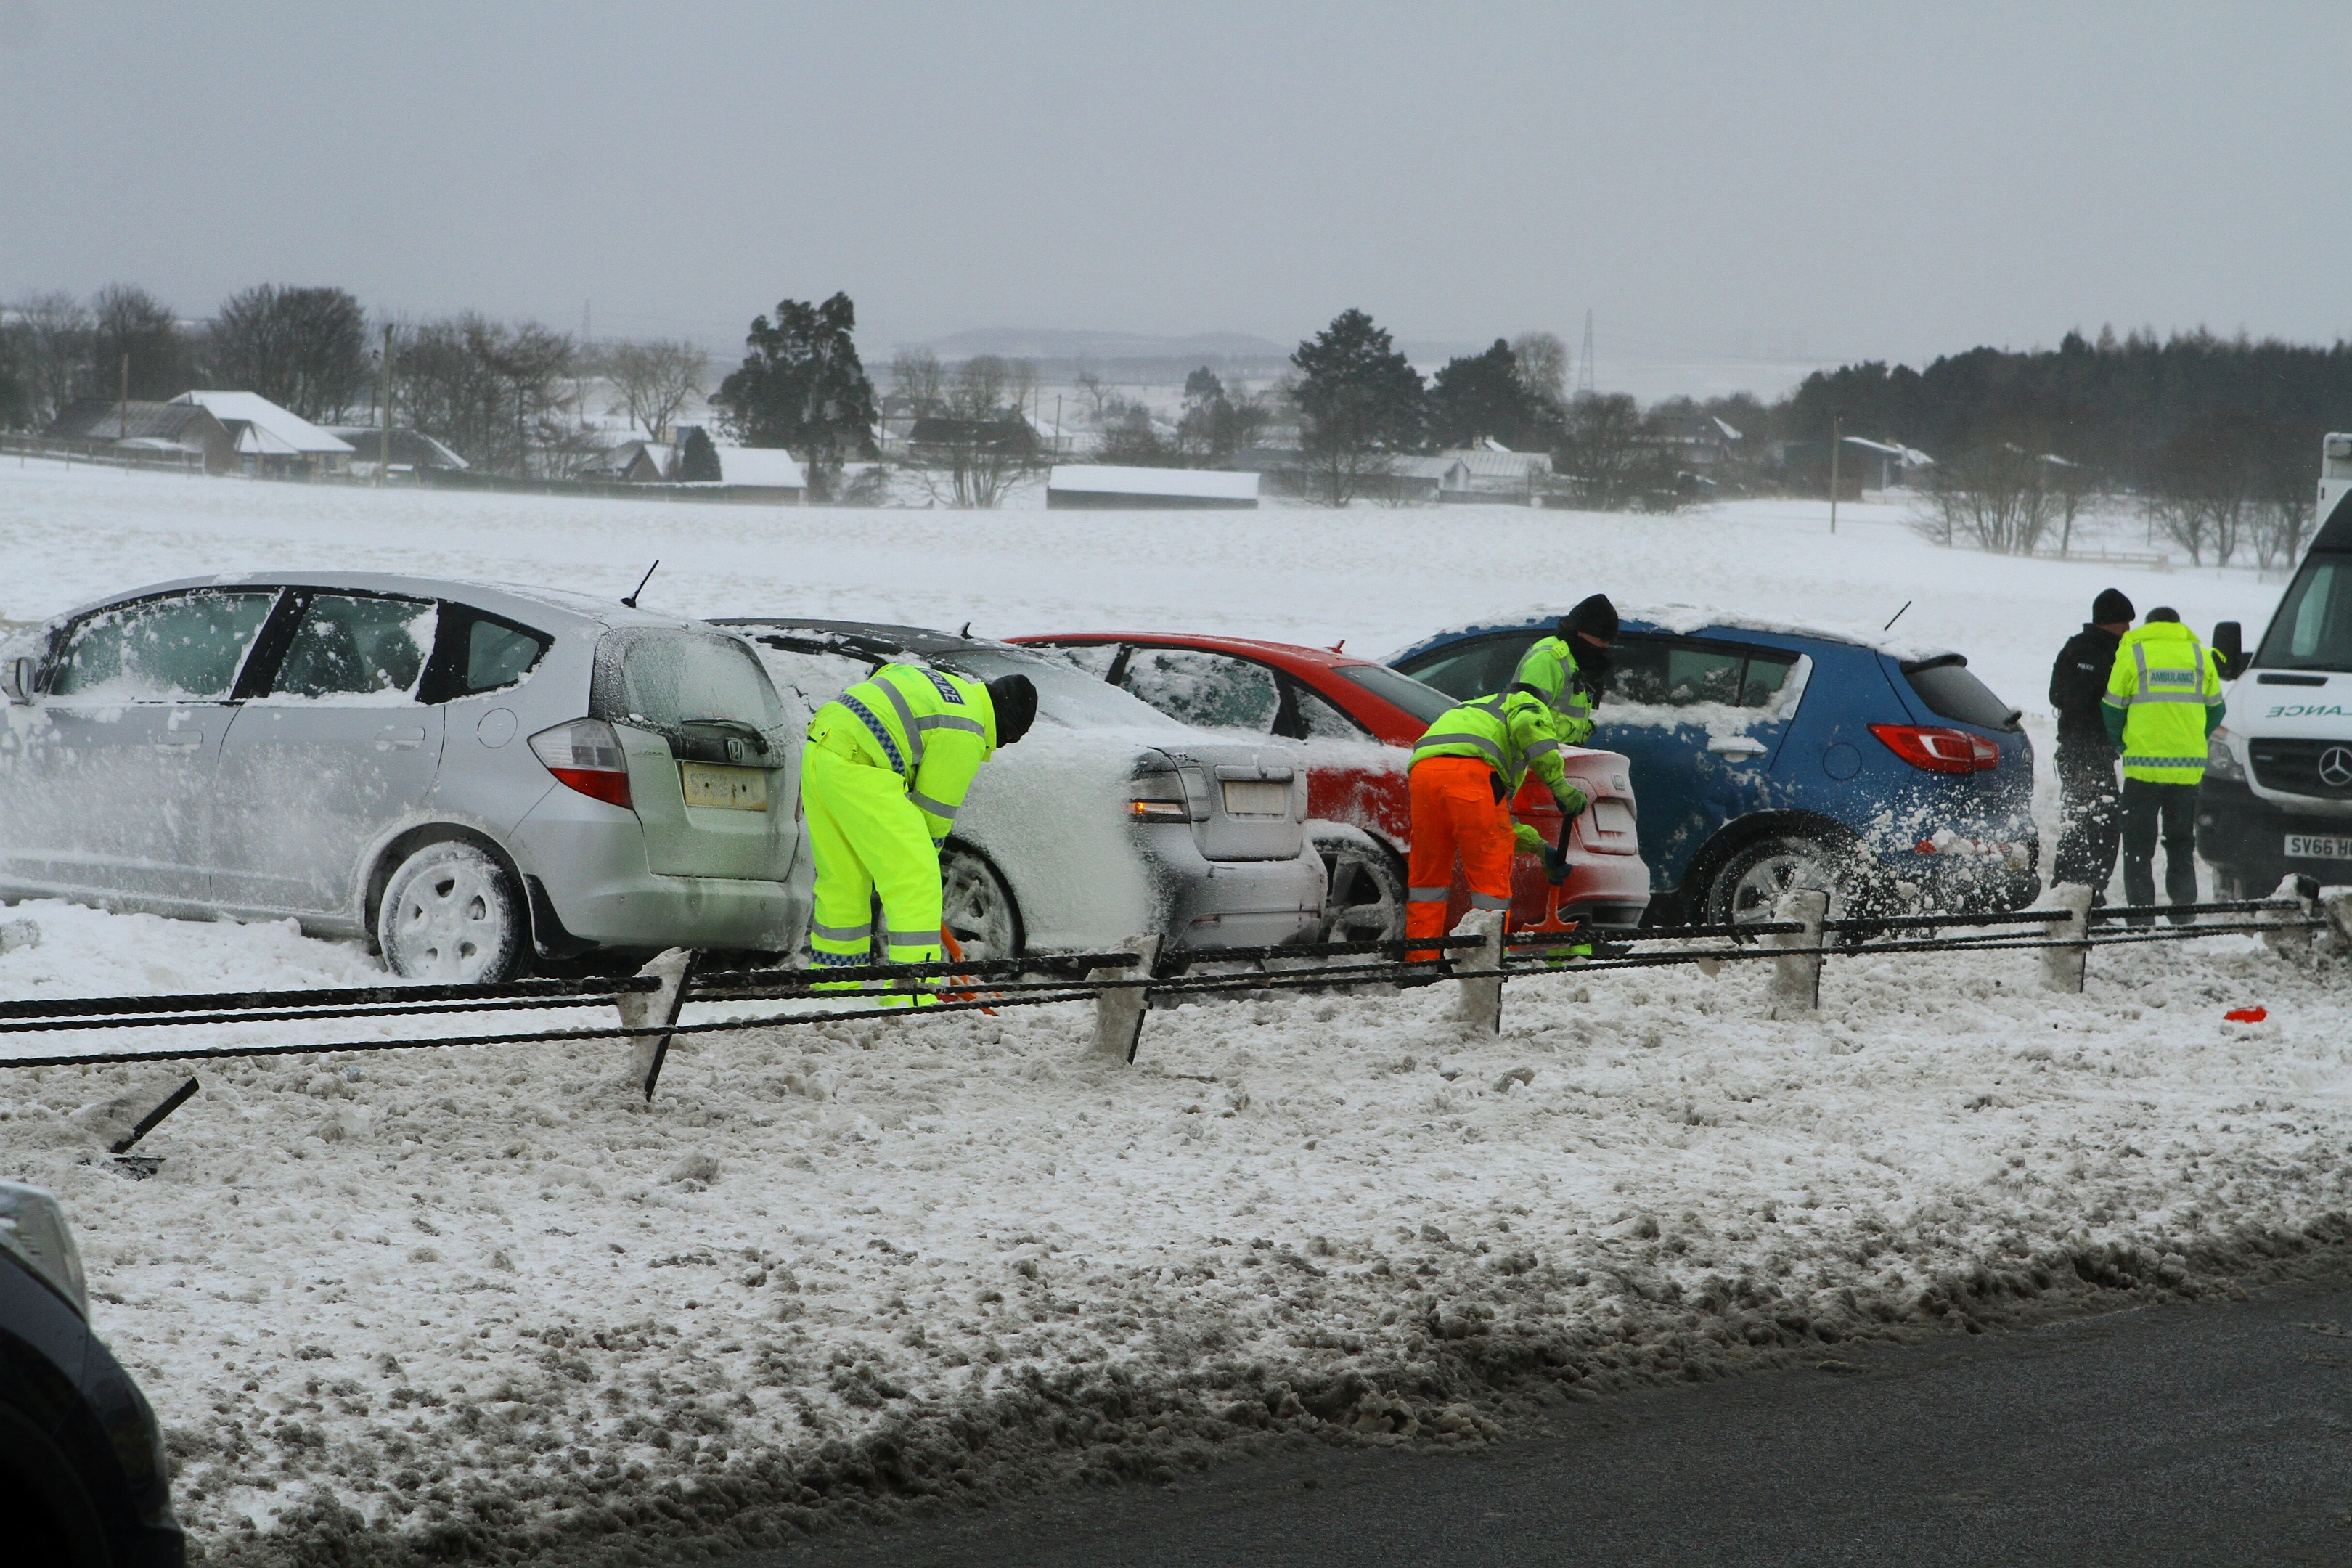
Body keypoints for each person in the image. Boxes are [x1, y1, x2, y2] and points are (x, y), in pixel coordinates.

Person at [801, 663, 1037, 1001]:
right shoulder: (967, 729)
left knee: (843, 883)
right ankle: (912, 998)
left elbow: (884, 671)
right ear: (1004, 728)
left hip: (820, 753)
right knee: (917, 881)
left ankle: (834, 990)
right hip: (861, 768)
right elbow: (932, 816)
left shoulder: (949, 688)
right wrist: (917, 860)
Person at [1405, 626, 1603, 961]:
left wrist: (1539, 848)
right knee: (1490, 879)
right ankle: (1486, 965)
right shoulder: (1529, 704)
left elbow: (1496, 819)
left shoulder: (1480, 708)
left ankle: (1419, 968)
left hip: (1423, 774)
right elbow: (1529, 729)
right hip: (1471, 772)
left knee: (1428, 881)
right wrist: (1559, 786)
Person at [2101, 607, 2225, 926]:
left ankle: (2141, 920)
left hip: (2143, 770)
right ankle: (2183, 915)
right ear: (2177, 626)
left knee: (2138, 846)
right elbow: (2216, 711)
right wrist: (2193, 738)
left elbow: (2112, 708)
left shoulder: (2134, 653)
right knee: (2181, 843)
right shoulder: (2199, 655)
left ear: (2149, 625)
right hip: (2186, 771)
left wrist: (2122, 743)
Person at [2048, 588, 2133, 899]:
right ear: (2109, 622)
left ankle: (2078, 898)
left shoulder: (2096, 649)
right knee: (2094, 827)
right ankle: (2078, 899)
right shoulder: (2087, 651)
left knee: (2090, 825)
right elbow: (2064, 697)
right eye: (2124, 622)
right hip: (2082, 751)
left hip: (2091, 752)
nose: (2128, 629)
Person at [1508, 593, 1619, 746]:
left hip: (1561, 758)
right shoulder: (1548, 659)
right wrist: (1545, 761)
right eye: (1602, 640)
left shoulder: (1577, 658)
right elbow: (1525, 723)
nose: (1606, 646)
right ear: (1581, 631)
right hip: (1537, 762)